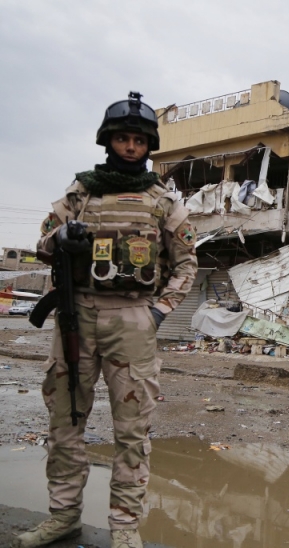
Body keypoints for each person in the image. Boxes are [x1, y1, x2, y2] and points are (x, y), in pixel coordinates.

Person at [14, 92, 198, 548]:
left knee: (132, 430)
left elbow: (186, 264)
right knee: (65, 422)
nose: (131, 147)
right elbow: (42, 243)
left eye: (139, 140)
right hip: (76, 314)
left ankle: (125, 527)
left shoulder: (163, 202)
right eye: (122, 139)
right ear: (108, 141)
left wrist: (159, 311)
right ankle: (63, 517)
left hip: (133, 319)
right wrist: (62, 235)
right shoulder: (81, 192)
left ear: (149, 145)